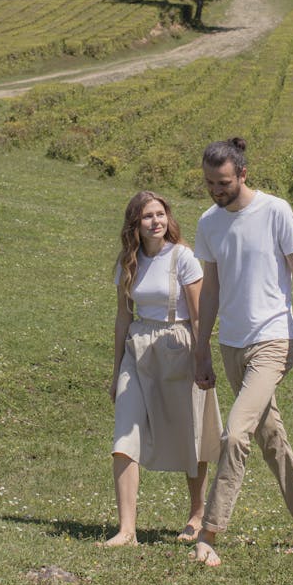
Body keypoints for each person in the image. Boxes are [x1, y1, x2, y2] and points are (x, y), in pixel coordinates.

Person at [191, 137, 293, 566]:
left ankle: (209, 531)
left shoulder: (275, 210)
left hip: (273, 339)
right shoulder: (209, 222)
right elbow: (209, 290)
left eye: (224, 181)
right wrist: (202, 350)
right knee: (270, 436)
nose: (216, 189)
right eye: (210, 182)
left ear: (243, 173)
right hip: (231, 343)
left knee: (236, 432)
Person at [107, 190, 222, 546]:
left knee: (191, 430)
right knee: (124, 435)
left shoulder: (183, 258)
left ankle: (197, 513)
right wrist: (115, 372)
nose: (156, 221)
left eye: (160, 214)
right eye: (147, 216)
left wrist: (202, 358)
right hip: (137, 348)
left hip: (178, 345)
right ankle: (127, 529)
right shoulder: (128, 262)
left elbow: (200, 313)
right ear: (135, 225)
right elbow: (122, 317)